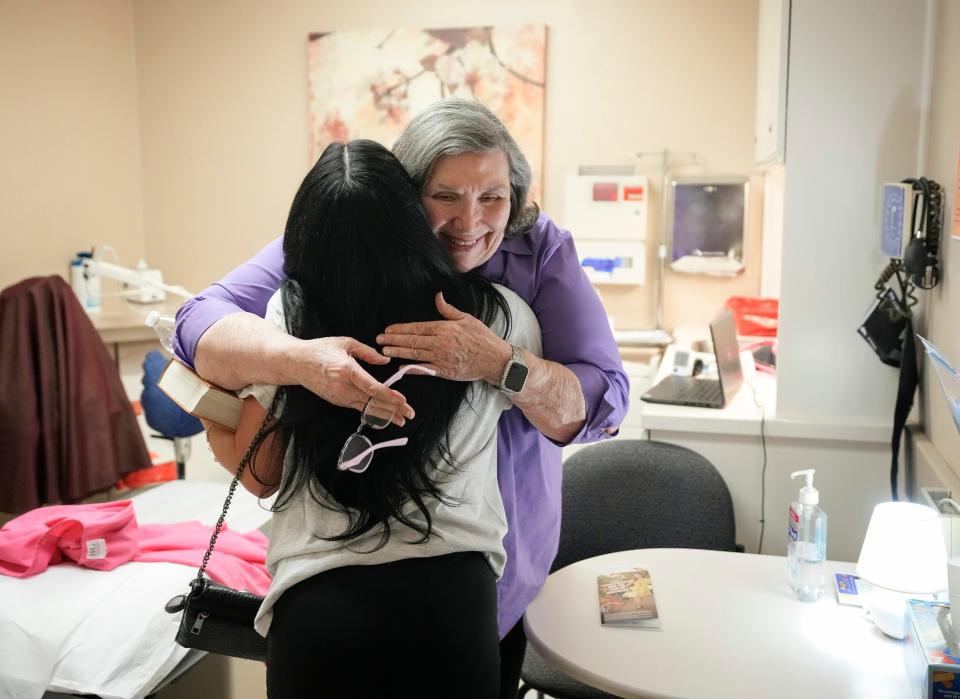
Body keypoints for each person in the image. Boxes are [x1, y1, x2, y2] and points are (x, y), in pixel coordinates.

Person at [174, 99, 629, 695]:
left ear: (515, 197)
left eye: (492, 197)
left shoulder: (535, 260)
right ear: (403, 199)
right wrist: (304, 360)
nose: (471, 221)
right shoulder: (322, 266)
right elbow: (197, 321)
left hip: (496, 577)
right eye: (446, 197)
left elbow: (603, 404)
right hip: (438, 593)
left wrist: (498, 364)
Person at [203, 139, 542, 697]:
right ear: (412, 219)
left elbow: (260, 470)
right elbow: (572, 405)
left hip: (320, 610)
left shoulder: (290, 315)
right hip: (453, 611)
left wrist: (208, 413)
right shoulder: (498, 317)